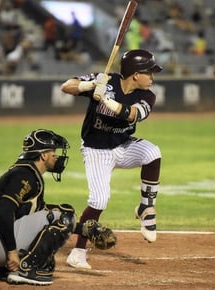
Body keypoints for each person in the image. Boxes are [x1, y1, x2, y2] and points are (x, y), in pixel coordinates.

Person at [0, 129, 115, 286]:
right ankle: (27, 269)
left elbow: (40, 214)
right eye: (53, 151)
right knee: (64, 215)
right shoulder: (25, 175)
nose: (57, 156)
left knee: (56, 215)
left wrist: (84, 230)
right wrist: (12, 252)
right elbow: (4, 212)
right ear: (43, 155)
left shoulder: (26, 172)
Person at [60, 49, 163, 269]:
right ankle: (77, 253)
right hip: (96, 150)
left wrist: (106, 100)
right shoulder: (105, 80)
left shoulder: (147, 95)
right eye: (149, 73)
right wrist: (88, 86)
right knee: (98, 201)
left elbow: (133, 114)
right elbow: (66, 86)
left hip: (122, 145)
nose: (152, 78)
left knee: (153, 153)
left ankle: (146, 207)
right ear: (135, 74)